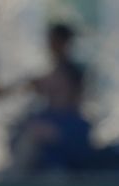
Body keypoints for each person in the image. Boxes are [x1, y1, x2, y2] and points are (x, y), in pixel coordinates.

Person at [11, 22, 92, 172]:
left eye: (54, 41)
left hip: (68, 127)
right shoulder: (52, 71)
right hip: (51, 122)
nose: (50, 46)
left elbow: (70, 107)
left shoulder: (73, 72)